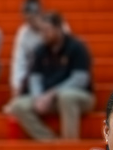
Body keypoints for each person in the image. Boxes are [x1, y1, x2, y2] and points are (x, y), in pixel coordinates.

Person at [5, 11, 93, 140]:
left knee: (66, 97)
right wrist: (38, 97)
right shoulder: (40, 50)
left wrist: (52, 93)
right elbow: (35, 78)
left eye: (47, 30)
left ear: (58, 28)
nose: (43, 34)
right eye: (42, 31)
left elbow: (80, 79)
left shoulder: (77, 47)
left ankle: (70, 146)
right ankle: (51, 143)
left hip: (79, 97)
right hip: (48, 98)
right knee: (18, 105)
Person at [8, 0, 43, 99]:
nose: (30, 22)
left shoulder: (55, 26)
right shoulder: (23, 32)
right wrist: (16, 85)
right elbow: (18, 61)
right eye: (27, 19)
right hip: (32, 72)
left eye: (32, 18)